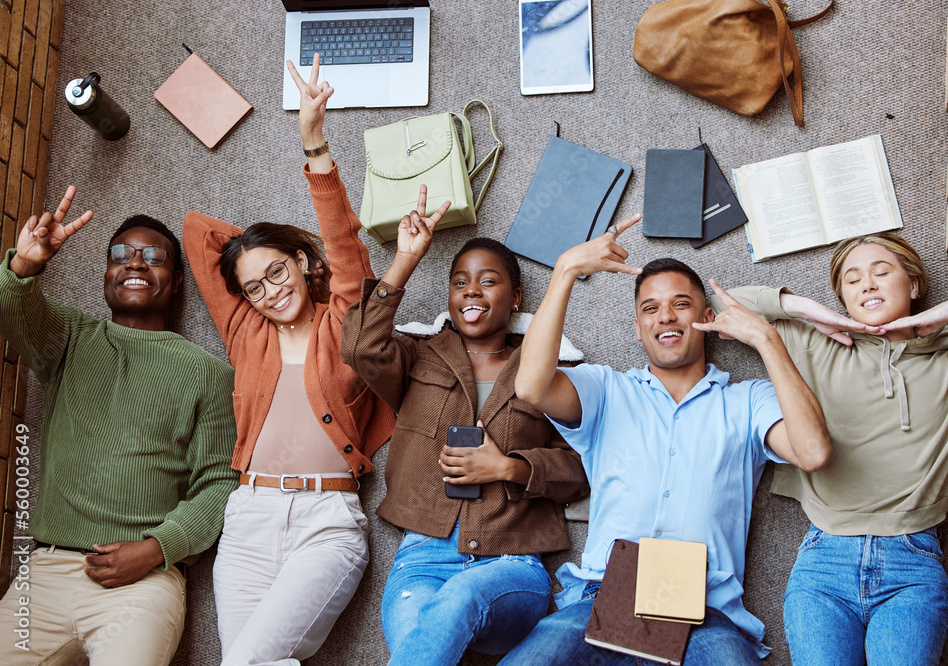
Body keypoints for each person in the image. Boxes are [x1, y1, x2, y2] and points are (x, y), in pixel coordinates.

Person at [501, 215, 832, 665]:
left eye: (680, 304)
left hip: (704, 613)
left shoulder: (748, 400)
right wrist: (565, 271)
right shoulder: (607, 389)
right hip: (599, 600)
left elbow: (813, 452)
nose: (666, 317)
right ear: (638, 328)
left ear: (708, 320)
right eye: (651, 309)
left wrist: (766, 339)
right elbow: (531, 387)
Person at [182, 55, 395, 665]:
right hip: (249, 518)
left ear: (302, 262)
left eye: (278, 270)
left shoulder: (343, 320)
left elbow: (345, 248)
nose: (270, 291)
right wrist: (247, 255)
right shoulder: (244, 328)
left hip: (327, 523)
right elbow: (199, 232)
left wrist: (314, 142)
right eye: (254, 286)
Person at [712, 232, 948, 665]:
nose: (867, 284)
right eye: (852, 279)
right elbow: (718, 306)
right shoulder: (813, 347)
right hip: (823, 561)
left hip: (912, 564)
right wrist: (812, 312)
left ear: (914, 285)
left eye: (882, 272)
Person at [340, 191, 590, 666]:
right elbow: (357, 348)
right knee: (420, 644)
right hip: (423, 559)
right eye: (460, 282)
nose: (471, 290)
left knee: (457, 603)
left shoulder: (547, 373)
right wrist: (405, 259)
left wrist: (509, 468)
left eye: (488, 281)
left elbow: (579, 470)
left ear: (515, 298)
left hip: (511, 563)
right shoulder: (418, 355)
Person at [0, 189, 238, 666]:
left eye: (154, 257)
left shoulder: (210, 373)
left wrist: (156, 548)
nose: (135, 263)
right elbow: (14, 313)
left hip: (142, 580)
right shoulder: (69, 337)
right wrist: (24, 267)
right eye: (121, 255)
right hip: (44, 573)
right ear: (106, 275)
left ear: (175, 284)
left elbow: (219, 485)